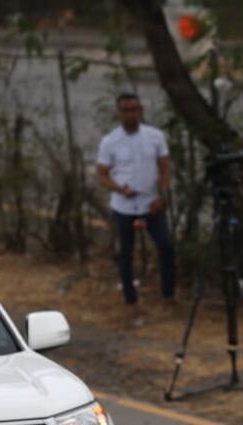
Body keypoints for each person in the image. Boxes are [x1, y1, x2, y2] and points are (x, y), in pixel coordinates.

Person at [96, 93, 175, 307]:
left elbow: (165, 166)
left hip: (152, 203)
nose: (131, 114)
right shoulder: (110, 141)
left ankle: (168, 294)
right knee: (126, 252)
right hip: (124, 205)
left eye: (134, 110)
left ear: (140, 111)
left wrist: (163, 194)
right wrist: (118, 188)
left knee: (165, 246)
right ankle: (130, 297)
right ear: (119, 113)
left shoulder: (155, 136)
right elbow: (102, 173)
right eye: (126, 110)